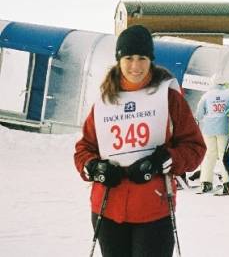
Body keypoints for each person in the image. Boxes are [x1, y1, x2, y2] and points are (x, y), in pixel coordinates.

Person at [73, 25, 206, 257]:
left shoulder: (168, 96)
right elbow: (84, 149)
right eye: (129, 58)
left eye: (142, 58)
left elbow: (194, 147)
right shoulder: (105, 100)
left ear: (151, 59)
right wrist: (95, 167)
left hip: (153, 209)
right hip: (108, 206)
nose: (136, 66)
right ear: (119, 60)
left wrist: (165, 160)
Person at [195, 73, 229, 193]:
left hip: (208, 129)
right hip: (224, 129)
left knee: (209, 155)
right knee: (224, 155)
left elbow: (199, 114)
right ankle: (227, 182)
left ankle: (206, 182)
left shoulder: (206, 95)